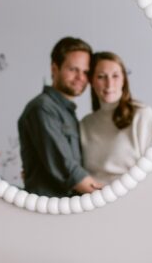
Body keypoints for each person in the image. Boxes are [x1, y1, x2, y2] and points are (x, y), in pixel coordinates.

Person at [17, 37, 104, 198]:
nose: (80, 77)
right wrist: (110, 196)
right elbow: (68, 169)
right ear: (54, 69)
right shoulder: (43, 108)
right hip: (48, 211)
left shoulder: (67, 112)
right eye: (73, 69)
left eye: (85, 72)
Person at [79, 51, 152, 185]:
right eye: (101, 77)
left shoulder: (142, 115)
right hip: (94, 201)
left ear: (124, 80)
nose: (109, 84)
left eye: (115, 76)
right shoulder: (85, 124)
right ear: (91, 81)